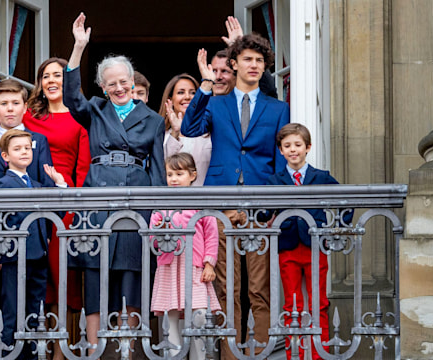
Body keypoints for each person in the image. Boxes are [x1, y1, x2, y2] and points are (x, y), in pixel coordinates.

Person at [0, 42, 88, 353]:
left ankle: (26, 351)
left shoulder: (38, 140)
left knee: (29, 303)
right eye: (3, 104)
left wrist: (59, 197)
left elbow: (44, 183)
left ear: (24, 107)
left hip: (34, 237)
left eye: (15, 103)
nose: (9, 108)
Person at [181, 33, 289, 357]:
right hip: (222, 206)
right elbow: (189, 128)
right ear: (234, 64)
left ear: (264, 67)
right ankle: (230, 355)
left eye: (259, 61)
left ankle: (261, 353)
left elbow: (279, 159)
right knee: (227, 288)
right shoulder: (216, 102)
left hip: (260, 209)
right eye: (247, 59)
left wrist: (271, 203)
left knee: (260, 289)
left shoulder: (277, 108)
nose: (253, 65)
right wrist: (203, 83)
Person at [64, 12, 166, 354]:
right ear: (103, 87)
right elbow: (69, 97)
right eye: (112, 83)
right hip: (99, 196)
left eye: (124, 82)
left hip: (137, 197)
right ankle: (94, 349)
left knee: (133, 273)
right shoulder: (94, 110)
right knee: (95, 270)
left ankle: (130, 349)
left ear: (133, 84)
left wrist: (158, 212)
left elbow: (159, 170)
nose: (120, 88)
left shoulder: (153, 120)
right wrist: (79, 48)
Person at [266, 123, 351, 360]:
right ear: (281, 150)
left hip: (316, 246)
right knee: (293, 304)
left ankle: (318, 353)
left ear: (308, 147)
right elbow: (263, 210)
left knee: (318, 302)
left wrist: (336, 227)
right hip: (288, 247)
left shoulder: (321, 177)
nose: (293, 150)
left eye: (297, 145)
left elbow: (345, 200)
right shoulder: (274, 180)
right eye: (287, 146)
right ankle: (297, 355)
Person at [0, 129, 67, 357]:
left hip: (38, 255)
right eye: (17, 149)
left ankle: (32, 353)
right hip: (15, 255)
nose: (24, 152)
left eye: (27, 148)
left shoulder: (36, 184)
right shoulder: (3, 184)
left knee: (35, 311)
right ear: (5, 156)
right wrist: (0, 250)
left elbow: (55, 214)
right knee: (13, 311)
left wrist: (60, 185)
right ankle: (10, 353)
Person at [150, 153, 220, 360]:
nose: (173, 179)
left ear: (192, 175)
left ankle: (199, 356)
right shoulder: (161, 205)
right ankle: (174, 356)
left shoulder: (200, 202)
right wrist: (159, 231)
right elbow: (152, 237)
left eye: (179, 174)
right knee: (169, 316)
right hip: (169, 268)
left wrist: (209, 264)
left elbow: (212, 234)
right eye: (170, 174)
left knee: (199, 315)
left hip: (194, 268)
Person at [199, 16, 277, 98]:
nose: (218, 77)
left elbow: (269, 92)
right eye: (214, 71)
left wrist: (239, 47)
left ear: (237, 75)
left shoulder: (248, 105)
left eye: (224, 71)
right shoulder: (203, 106)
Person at [158, 74, 211, 186]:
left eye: (193, 93)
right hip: (172, 201)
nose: (187, 97)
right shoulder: (161, 135)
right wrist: (175, 133)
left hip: (206, 200)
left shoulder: (210, 133)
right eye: (181, 92)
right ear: (170, 99)